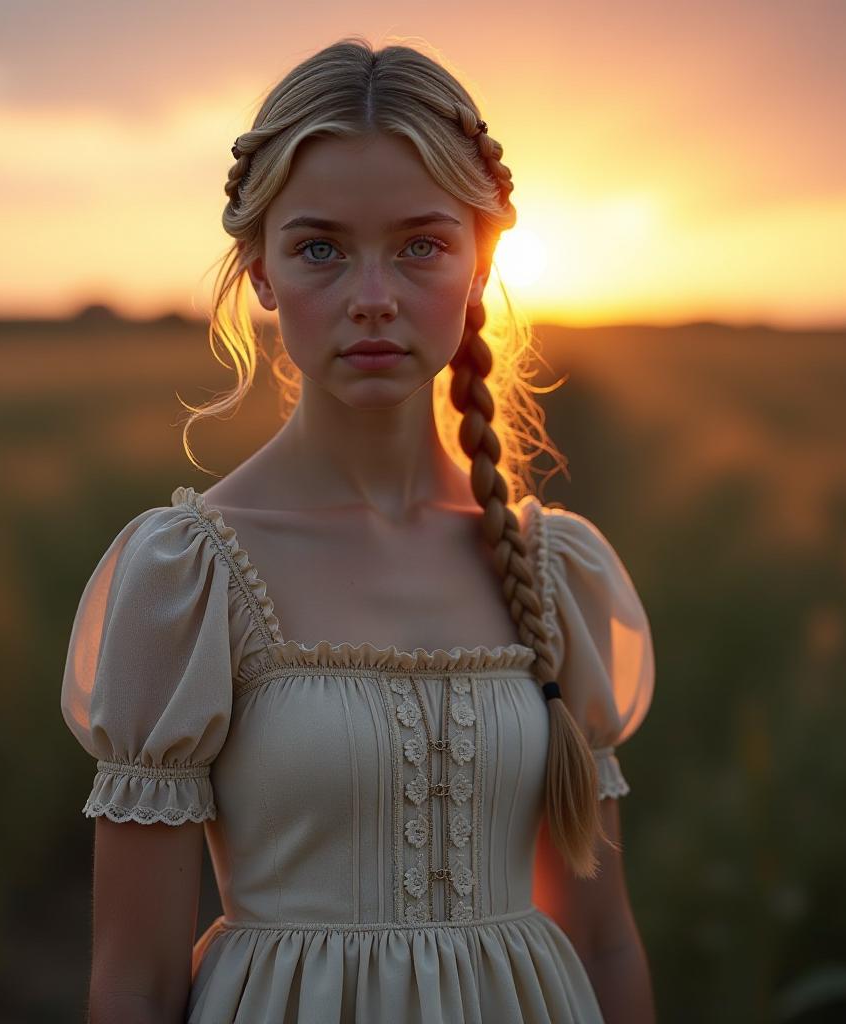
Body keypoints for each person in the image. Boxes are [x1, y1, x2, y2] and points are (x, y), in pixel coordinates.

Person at [60, 36, 656, 1024]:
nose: (371, 299)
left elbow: (601, 938)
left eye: (421, 244)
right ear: (258, 270)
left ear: (478, 263)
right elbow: (132, 983)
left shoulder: (555, 573)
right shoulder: (189, 578)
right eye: (320, 248)